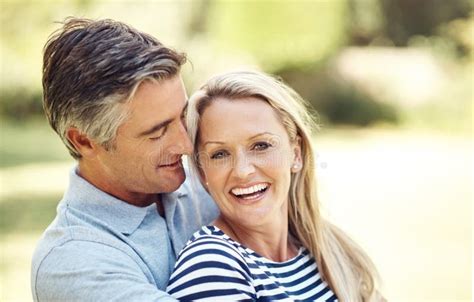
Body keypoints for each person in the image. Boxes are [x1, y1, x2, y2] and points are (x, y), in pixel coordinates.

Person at [31, 18, 218, 301]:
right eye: (157, 132)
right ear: (83, 141)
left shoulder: (211, 183)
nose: (186, 145)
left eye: (183, 116)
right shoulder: (72, 265)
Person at [166, 71, 384, 301]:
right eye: (220, 154)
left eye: (260, 146)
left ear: (296, 154)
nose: (242, 171)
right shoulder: (211, 266)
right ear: (202, 171)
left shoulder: (330, 252)